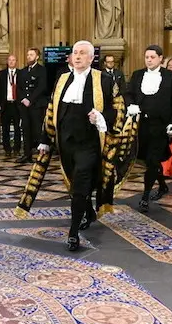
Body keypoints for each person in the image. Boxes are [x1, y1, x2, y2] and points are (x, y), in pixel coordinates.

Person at [37, 41, 121, 251]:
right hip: (66, 142)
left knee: (80, 186)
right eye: (75, 53)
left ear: (91, 58)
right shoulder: (62, 79)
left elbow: (118, 108)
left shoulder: (104, 79)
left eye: (82, 53)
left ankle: (73, 232)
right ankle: (89, 213)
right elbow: (51, 110)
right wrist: (45, 140)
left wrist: (101, 117)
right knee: (75, 185)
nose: (77, 56)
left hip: (89, 142)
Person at [124, 45, 172, 212]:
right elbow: (128, 93)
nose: (149, 60)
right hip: (142, 125)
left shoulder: (171, 77)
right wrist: (131, 105)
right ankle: (162, 186)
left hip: (161, 126)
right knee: (149, 160)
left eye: (152, 57)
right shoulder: (137, 75)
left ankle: (145, 196)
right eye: (146, 57)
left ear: (160, 58)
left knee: (152, 160)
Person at [17, 47, 48, 163]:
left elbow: (42, 87)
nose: (29, 56)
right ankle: (27, 154)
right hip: (24, 105)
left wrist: (30, 99)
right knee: (26, 130)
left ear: (37, 57)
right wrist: (23, 99)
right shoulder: (23, 71)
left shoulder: (41, 70)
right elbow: (19, 88)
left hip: (36, 105)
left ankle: (41, 155)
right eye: (28, 54)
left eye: (31, 55)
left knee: (37, 130)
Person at [0, 54, 21, 157]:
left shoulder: (21, 73)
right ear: (7, 61)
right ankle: (7, 149)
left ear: (16, 62)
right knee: (5, 128)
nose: (11, 62)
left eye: (13, 60)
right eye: (9, 60)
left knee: (17, 128)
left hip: (16, 104)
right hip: (5, 104)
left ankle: (17, 149)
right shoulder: (1, 74)